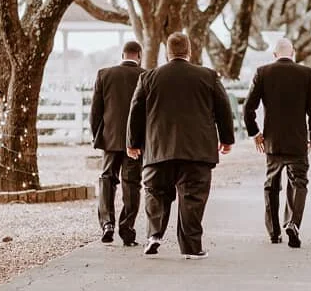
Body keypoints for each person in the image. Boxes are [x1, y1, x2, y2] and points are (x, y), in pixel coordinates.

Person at [127, 33, 235, 258]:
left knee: (156, 192)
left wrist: (133, 143)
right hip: (197, 150)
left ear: (167, 52)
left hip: (159, 148)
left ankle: (154, 235)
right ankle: (191, 247)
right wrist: (226, 139)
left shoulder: (148, 78)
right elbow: (224, 109)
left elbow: (135, 112)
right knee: (192, 197)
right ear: (190, 51)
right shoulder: (208, 76)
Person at [242, 38, 311, 248]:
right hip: (297, 140)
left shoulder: (263, 72)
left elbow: (248, 108)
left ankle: (274, 232)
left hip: (273, 140)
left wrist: (256, 133)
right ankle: (293, 223)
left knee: (271, 185)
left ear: (274, 55)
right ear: (293, 53)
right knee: (299, 182)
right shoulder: (306, 73)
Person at [89, 41, 146, 246]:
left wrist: (99, 136)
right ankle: (127, 229)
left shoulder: (104, 74)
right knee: (131, 184)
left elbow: (95, 112)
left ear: (123, 54)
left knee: (107, 179)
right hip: (136, 142)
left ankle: (107, 223)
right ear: (139, 55)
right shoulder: (146, 76)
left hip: (110, 139)